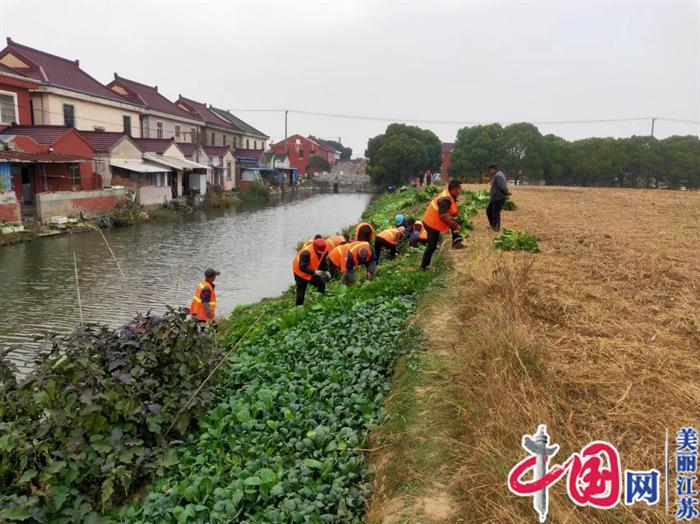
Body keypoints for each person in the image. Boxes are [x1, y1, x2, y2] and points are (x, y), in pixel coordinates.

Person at [420, 179, 464, 270]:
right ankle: (423, 267)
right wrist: (456, 226)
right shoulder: (445, 199)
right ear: (453, 189)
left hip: (433, 222)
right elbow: (443, 216)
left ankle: (456, 243)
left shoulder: (449, 195)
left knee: (457, 220)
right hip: (431, 223)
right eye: (459, 189)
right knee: (432, 246)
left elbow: (452, 211)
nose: (460, 191)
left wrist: (459, 217)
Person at [292, 237, 330, 306]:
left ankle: (321, 300)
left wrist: (326, 271)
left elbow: (323, 260)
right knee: (301, 293)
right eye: (319, 252)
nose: (321, 253)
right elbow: (302, 267)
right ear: (315, 248)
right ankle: (298, 308)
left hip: (311, 270)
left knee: (321, 284)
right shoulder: (306, 253)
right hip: (300, 272)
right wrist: (315, 272)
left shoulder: (323, 248)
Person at [486, 164, 511, 231]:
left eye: (489, 171)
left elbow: (501, 186)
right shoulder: (498, 174)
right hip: (495, 197)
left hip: (498, 197)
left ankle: (496, 228)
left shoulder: (498, 176)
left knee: (496, 213)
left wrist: (506, 193)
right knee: (489, 211)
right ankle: (493, 226)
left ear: (493, 169)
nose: (489, 172)